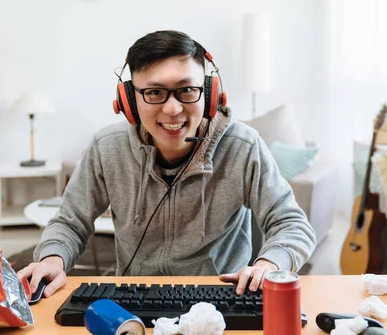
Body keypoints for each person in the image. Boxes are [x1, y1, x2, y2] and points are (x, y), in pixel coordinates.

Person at [17, 30, 316, 299]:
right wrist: (51, 259)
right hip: (134, 299)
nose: (172, 109)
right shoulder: (106, 148)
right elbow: (71, 221)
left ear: (209, 96)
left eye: (187, 90)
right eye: (154, 92)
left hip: (222, 300)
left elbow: (292, 224)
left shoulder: (244, 146)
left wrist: (269, 264)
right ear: (129, 101)